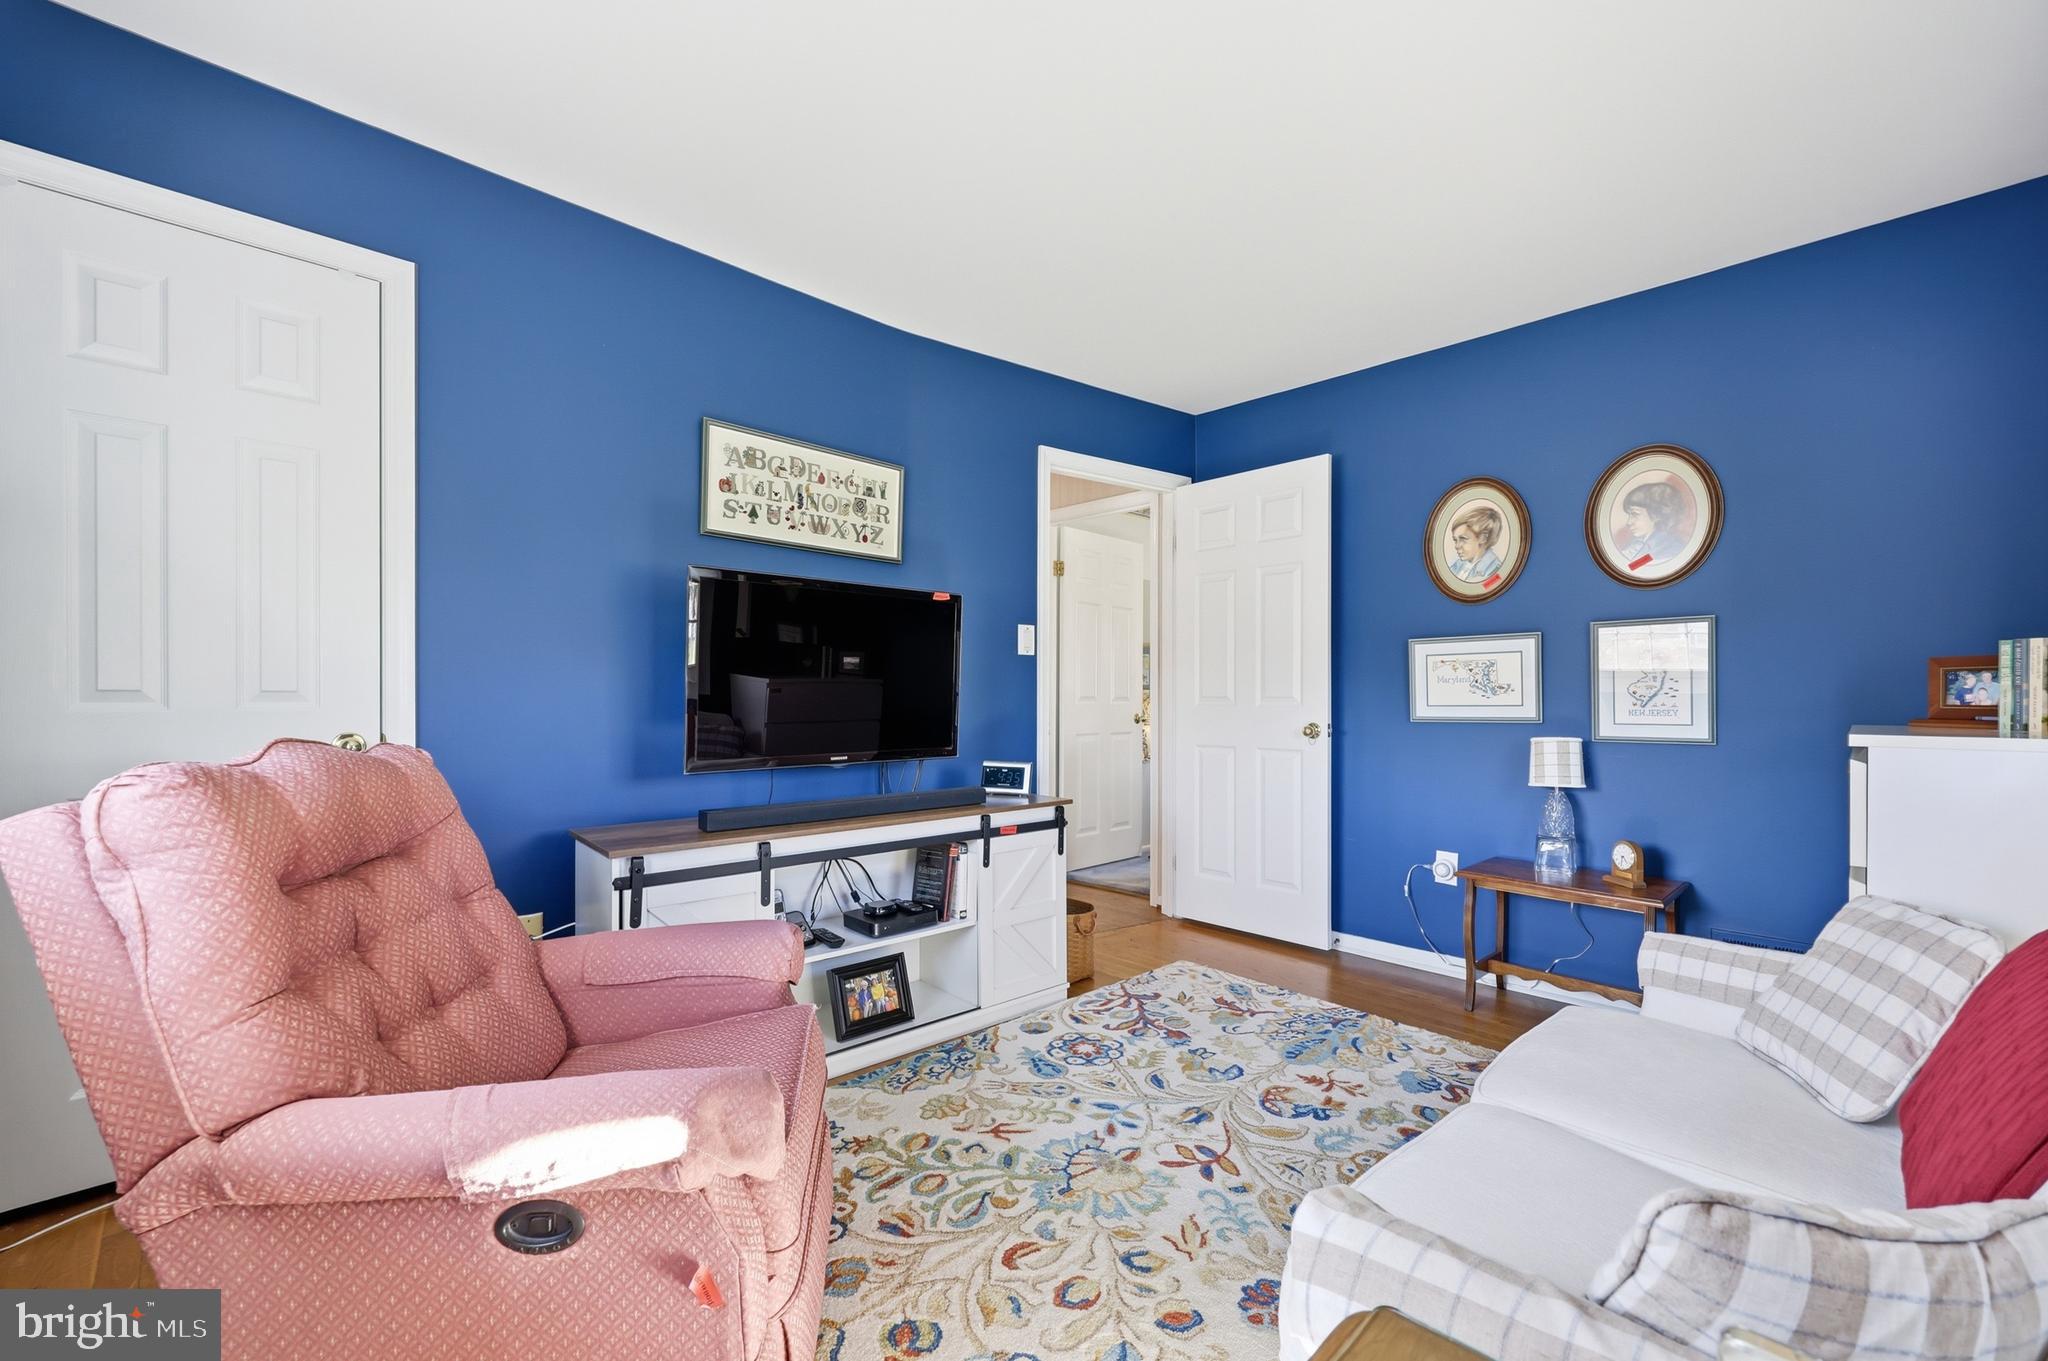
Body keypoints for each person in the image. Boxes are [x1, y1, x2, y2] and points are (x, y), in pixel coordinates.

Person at [1617, 480, 1688, 566]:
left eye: (1635, 514)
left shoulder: (1669, 548)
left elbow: (1632, 567)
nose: (1628, 522)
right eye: (1629, 515)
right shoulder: (1636, 543)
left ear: (1656, 515)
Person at [1446, 505, 1504, 583]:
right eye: (1455, 540)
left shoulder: (1496, 571)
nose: (1456, 546)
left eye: (1463, 539)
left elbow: (1486, 588)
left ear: (1483, 538)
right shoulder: (1456, 566)